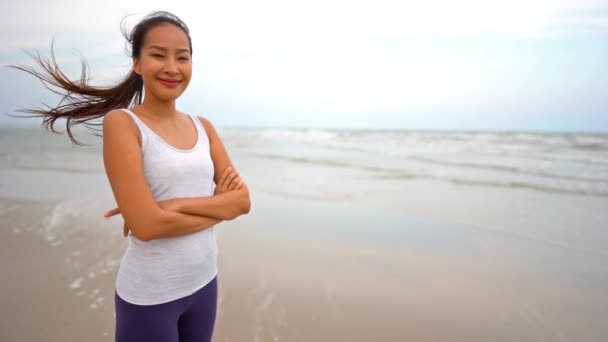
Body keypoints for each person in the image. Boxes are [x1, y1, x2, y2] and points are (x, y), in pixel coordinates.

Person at [11, 10, 251, 342]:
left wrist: (173, 205)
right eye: (158, 55)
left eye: (182, 57)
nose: (172, 67)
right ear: (137, 63)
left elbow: (242, 202)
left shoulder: (204, 127)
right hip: (151, 295)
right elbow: (148, 226)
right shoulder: (123, 124)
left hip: (204, 283)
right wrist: (216, 208)